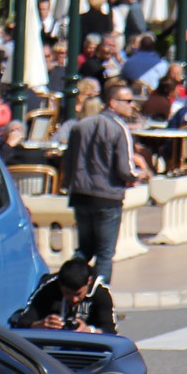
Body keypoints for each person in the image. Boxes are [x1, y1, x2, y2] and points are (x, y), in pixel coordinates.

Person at [62, 82, 149, 285]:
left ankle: (69, 285)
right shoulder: (120, 128)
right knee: (104, 253)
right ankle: (99, 298)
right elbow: (124, 169)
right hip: (107, 197)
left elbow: (68, 161)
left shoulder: (79, 126)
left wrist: (69, 185)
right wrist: (139, 175)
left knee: (84, 249)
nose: (132, 105)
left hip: (80, 194)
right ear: (113, 102)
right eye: (127, 101)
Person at [9, 258, 117, 334]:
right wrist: (40, 325)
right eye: (67, 293)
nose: (74, 299)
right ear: (59, 284)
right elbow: (23, 321)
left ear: (89, 281)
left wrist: (89, 330)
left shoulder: (101, 293)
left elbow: (110, 331)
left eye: (78, 294)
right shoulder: (48, 287)